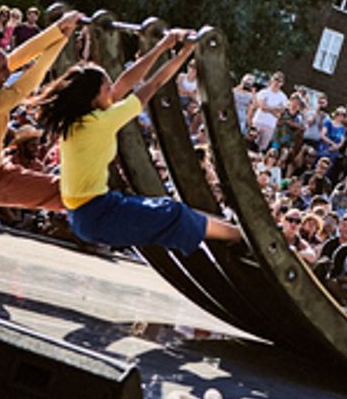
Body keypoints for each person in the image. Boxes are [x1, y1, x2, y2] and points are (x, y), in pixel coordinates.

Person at [35, 30, 241, 253]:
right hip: (97, 216)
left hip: (90, 212)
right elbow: (154, 84)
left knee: (172, 210)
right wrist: (184, 52)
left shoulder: (81, 118)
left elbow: (125, 81)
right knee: (174, 214)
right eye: (106, 89)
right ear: (94, 97)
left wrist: (162, 46)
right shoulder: (99, 122)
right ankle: (240, 237)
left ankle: (232, 231)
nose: (111, 92)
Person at [0, 7, 83, 210]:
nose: (7, 73)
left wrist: (58, 29)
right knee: (61, 193)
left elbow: (18, 57)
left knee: (67, 192)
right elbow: (31, 79)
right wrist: (62, 40)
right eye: (1, 70)